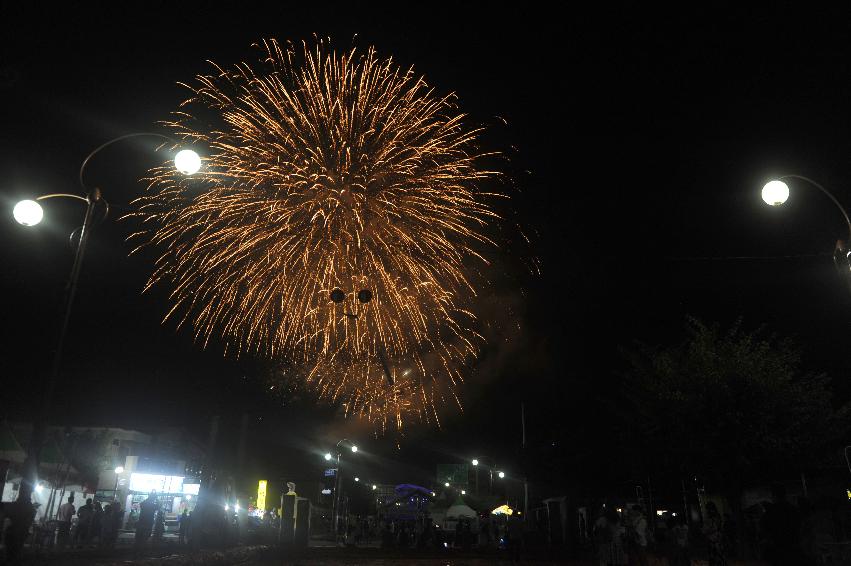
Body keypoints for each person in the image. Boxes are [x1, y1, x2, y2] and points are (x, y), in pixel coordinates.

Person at [703, 502, 727, 566]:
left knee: (717, 559)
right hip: (715, 541)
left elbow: (709, 529)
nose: (707, 511)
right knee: (716, 559)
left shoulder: (713, 518)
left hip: (715, 541)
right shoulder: (716, 517)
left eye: (707, 509)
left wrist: (707, 530)